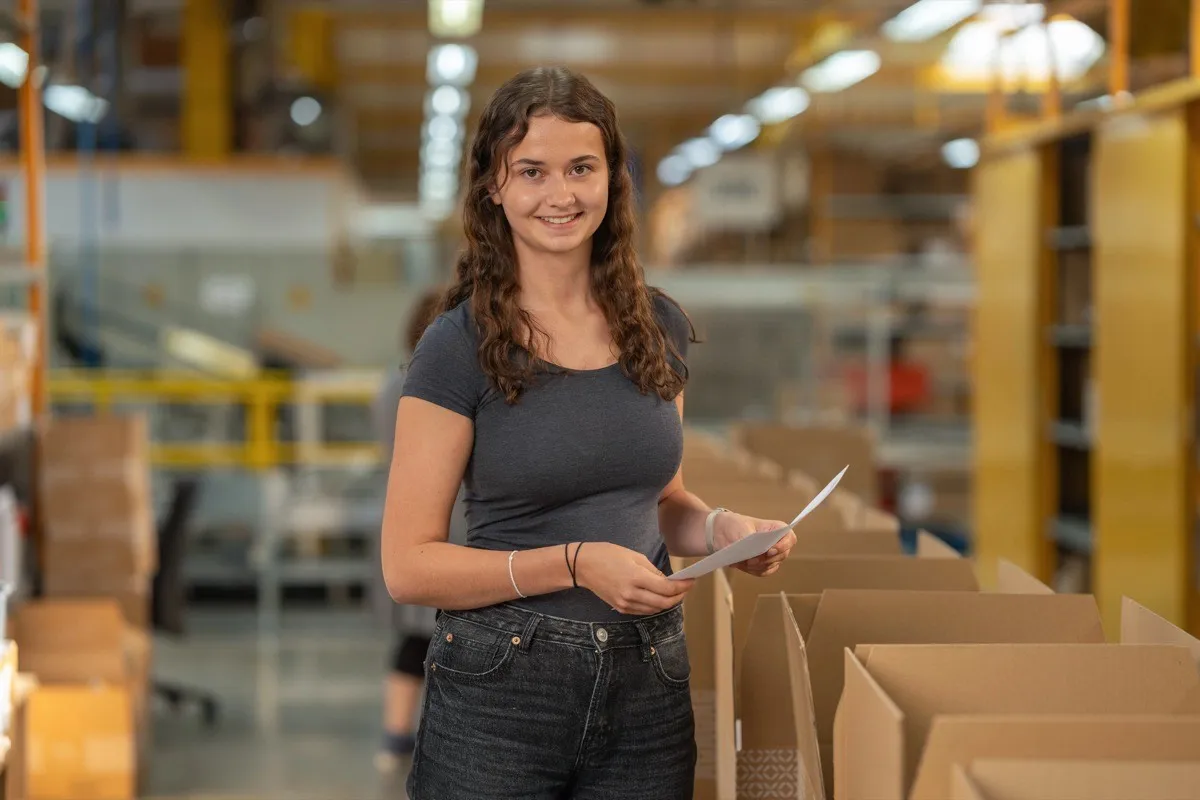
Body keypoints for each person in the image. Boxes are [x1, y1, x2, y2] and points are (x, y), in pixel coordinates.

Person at [381, 65, 798, 800]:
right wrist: (573, 564)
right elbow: (409, 567)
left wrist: (726, 528)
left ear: (613, 179)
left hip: (648, 685)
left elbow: (661, 502)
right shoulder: (457, 346)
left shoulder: (655, 324)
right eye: (532, 171)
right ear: (493, 188)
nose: (561, 195)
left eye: (582, 168)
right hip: (502, 689)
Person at [370, 287, 467, 774]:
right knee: (444, 638)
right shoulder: (437, 387)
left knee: (414, 638)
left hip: (403, 519)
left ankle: (394, 739)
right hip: (450, 527)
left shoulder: (391, 386)